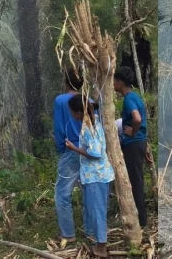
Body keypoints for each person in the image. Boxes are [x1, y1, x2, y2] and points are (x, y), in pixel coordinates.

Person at [66, 95, 113, 258]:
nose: (71, 115)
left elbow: (95, 152)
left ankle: (101, 246)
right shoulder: (96, 119)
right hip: (101, 174)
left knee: (97, 209)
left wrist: (73, 148)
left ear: (79, 112)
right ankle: (96, 237)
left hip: (95, 176)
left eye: (72, 112)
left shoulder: (88, 127)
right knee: (95, 207)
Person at [113, 67, 148, 228]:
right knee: (137, 179)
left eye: (114, 81)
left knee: (136, 181)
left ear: (120, 82)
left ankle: (141, 221)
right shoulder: (135, 96)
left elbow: (137, 118)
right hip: (139, 143)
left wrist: (133, 132)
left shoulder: (128, 99)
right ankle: (141, 219)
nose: (113, 84)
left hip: (133, 144)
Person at [53, 70, 83, 245]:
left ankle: (68, 233)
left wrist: (60, 148)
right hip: (88, 150)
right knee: (88, 190)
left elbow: (59, 127)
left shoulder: (60, 100)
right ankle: (92, 231)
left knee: (62, 193)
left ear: (66, 81)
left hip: (70, 149)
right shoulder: (91, 101)